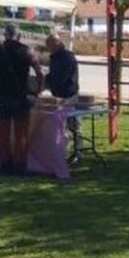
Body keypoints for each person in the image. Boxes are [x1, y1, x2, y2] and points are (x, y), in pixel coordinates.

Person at [0, 24, 43, 176]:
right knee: (21, 134)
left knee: (3, 134)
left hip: (2, 96)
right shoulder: (27, 51)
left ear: (5, 35)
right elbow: (39, 72)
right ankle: (19, 166)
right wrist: (37, 91)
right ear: (19, 36)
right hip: (21, 96)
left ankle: (4, 165)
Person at [43, 33, 82, 162]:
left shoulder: (67, 57)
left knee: (73, 124)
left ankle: (77, 151)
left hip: (69, 94)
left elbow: (63, 77)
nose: (47, 48)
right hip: (58, 95)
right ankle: (61, 150)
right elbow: (52, 74)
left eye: (49, 45)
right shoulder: (54, 57)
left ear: (57, 43)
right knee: (60, 125)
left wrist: (52, 85)